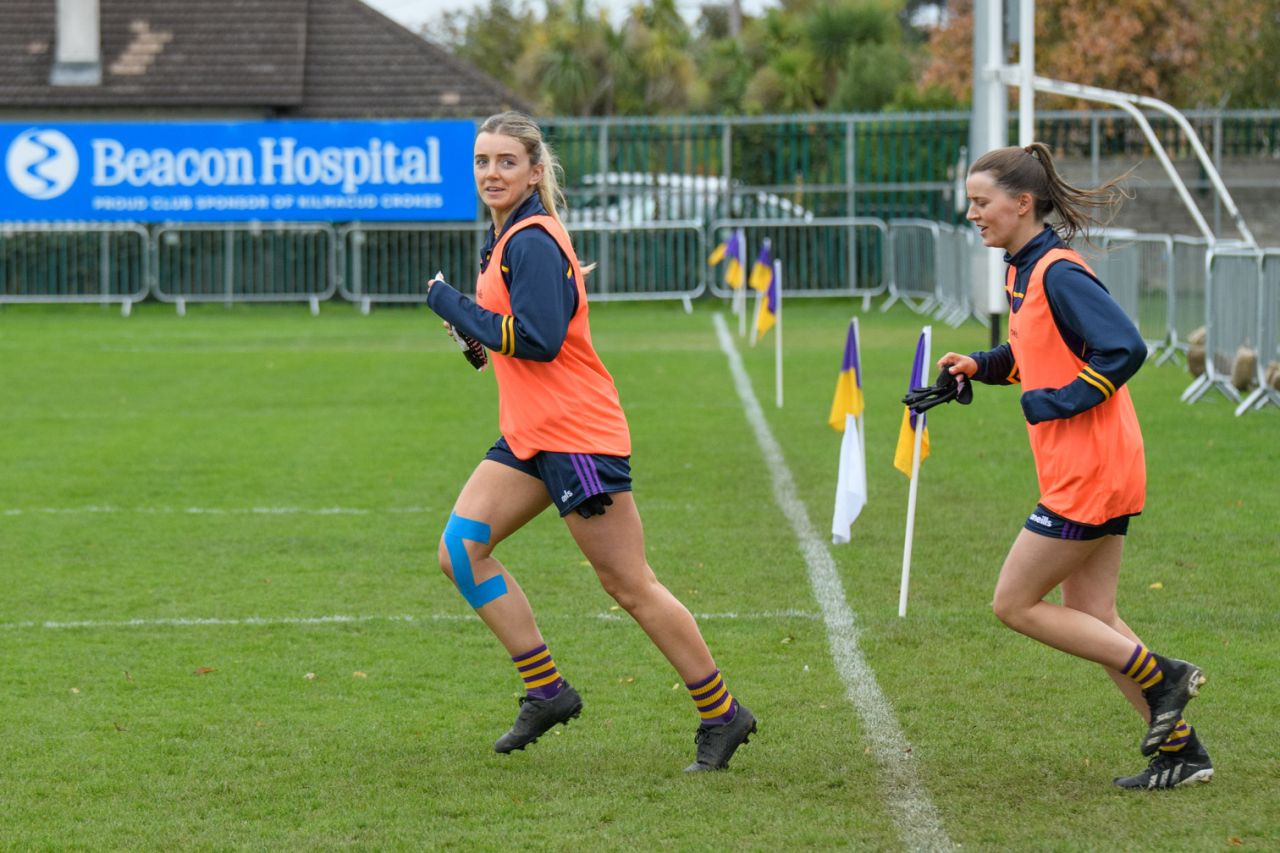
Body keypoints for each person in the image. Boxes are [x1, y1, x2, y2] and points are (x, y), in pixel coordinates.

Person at [423, 111, 756, 772]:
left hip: (575, 435)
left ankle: (722, 712)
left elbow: (542, 340)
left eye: (506, 162)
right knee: (461, 550)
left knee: (628, 583)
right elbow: (512, 342)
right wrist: (473, 337)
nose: (492, 172)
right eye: (483, 161)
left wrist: (453, 305)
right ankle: (546, 688)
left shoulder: (532, 241)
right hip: (530, 433)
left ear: (534, 171)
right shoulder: (507, 238)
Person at [935, 143, 1212, 790]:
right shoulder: (1022, 270)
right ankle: (1183, 752)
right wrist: (980, 364)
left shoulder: (1057, 270)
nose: (971, 213)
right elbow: (1036, 349)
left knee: (1013, 601)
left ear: (1021, 203)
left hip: (1089, 468)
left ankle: (1165, 675)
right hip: (1093, 464)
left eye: (981, 202)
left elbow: (1125, 346)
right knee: (1093, 613)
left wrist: (1059, 401)